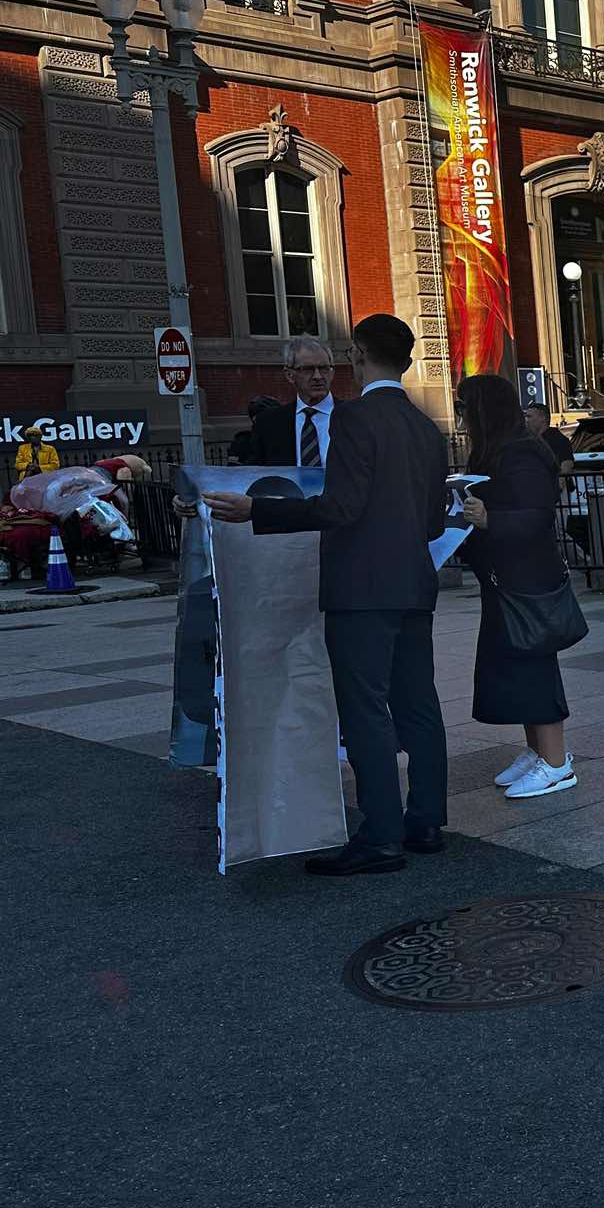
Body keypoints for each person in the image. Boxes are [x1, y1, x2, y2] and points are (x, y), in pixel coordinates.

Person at [203, 314, 450, 876]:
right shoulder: (425, 427)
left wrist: (256, 509)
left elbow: (340, 508)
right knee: (418, 705)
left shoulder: (355, 419)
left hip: (361, 588)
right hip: (414, 581)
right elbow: (434, 522)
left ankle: (382, 836)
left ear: (360, 355)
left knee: (366, 711)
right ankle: (426, 822)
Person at [461, 374, 577, 798]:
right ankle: (538, 752)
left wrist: (490, 519)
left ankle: (555, 761)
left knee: (535, 668)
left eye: (465, 408)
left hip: (528, 581)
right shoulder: (502, 450)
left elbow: (537, 515)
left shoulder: (522, 452)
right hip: (507, 578)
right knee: (517, 667)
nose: (461, 418)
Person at [247, 336, 338, 467]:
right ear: (289, 375)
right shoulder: (268, 423)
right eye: (307, 369)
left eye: (324, 368)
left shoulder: (355, 417)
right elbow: (255, 474)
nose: (318, 376)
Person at [524, 402, 575, 471]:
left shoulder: (558, 439)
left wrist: (561, 479)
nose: (526, 420)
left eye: (529, 416)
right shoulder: (528, 439)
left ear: (542, 418)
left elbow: (567, 463)